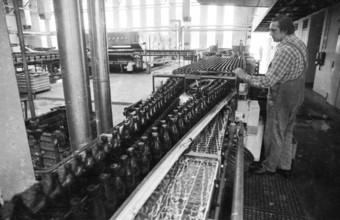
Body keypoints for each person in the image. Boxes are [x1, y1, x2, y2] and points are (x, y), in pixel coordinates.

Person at [234, 15, 307, 177]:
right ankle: (284, 166)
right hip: (296, 97)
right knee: (286, 132)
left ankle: (269, 167)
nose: (271, 33)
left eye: (274, 30)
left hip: (283, 98)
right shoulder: (299, 44)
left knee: (275, 133)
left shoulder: (285, 50)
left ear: (285, 31)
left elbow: (267, 81)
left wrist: (244, 75)